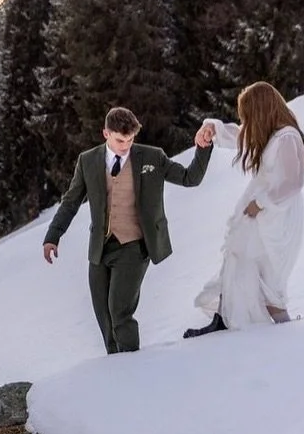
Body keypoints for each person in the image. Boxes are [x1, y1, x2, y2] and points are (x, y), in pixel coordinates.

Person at [42, 106, 212, 354]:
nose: (125, 145)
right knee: (104, 316)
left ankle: (131, 365)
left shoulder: (151, 157)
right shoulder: (88, 161)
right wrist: (52, 237)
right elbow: (70, 202)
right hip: (100, 248)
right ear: (106, 134)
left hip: (134, 246)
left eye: (130, 139)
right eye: (120, 140)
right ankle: (116, 367)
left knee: (120, 311)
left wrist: (202, 148)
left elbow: (190, 178)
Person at [185, 82, 304, 338]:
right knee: (238, 257)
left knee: (265, 272)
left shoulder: (287, 137)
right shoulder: (270, 134)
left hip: (275, 214)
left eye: (249, 113)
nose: (246, 120)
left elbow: (293, 182)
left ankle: (285, 328)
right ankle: (225, 317)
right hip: (261, 210)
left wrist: (261, 203)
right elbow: (237, 133)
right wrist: (212, 128)